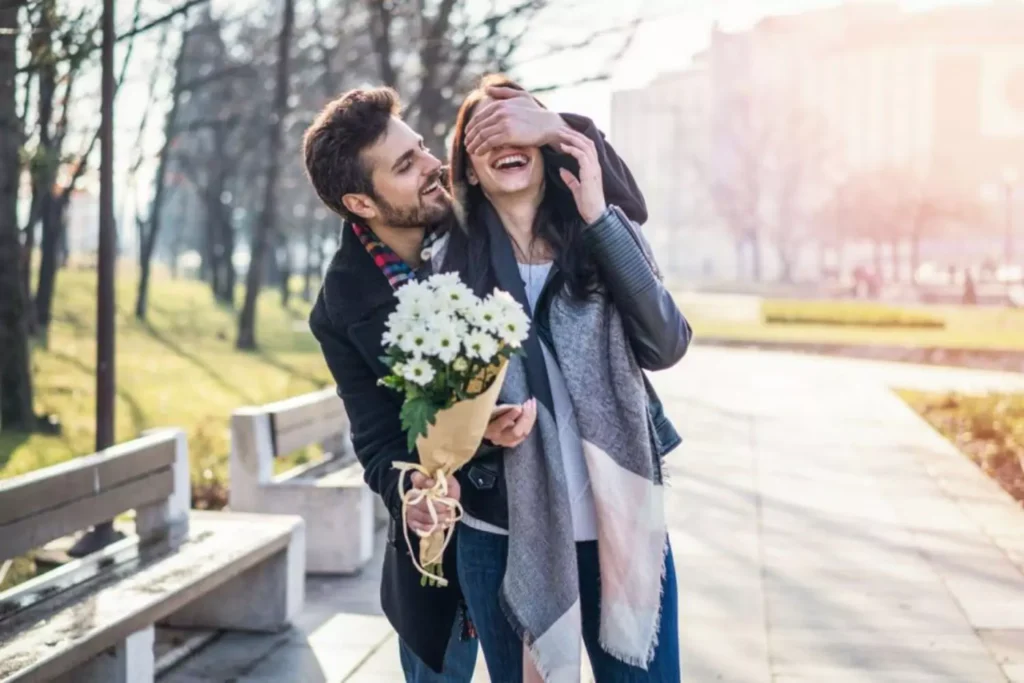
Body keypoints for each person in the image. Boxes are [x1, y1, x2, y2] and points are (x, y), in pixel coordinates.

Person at [303, 84, 649, 682]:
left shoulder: (482, 216)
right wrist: (414, 490)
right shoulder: (343, 306)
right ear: (360, 202)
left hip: (538, 515)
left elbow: (624, 206)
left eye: (422, 147)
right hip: (439, 543)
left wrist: (553, 125)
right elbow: (378, 440)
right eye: (405, 165)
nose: (432, 164)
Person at [442, 74, 691, 682]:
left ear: (545, 147)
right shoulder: (449, 267)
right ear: (469, 169)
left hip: (620, 528)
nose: (507, 139)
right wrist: (480, 430)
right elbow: (434, 410)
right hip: (503, 535)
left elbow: (666, 343)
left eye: (520, 125)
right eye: (486, 130)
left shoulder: (600, 233)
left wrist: (599, 215)